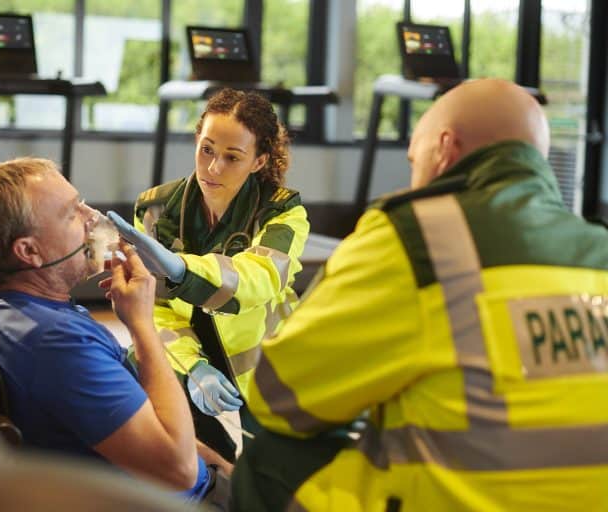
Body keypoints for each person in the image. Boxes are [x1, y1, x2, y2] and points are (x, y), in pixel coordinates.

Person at [231, 78, 608, 511]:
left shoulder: (418, 237)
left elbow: (279, 396)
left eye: (414, 158)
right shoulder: (597, 248)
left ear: (445, 147)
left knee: (269, 459)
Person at [0, 157, 230, 506]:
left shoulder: (7, 313)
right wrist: (142, 326)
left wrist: (221, 467)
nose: (91, 218)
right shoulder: (56, 342)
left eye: (81, 202)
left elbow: (139, 417)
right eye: (70, 214)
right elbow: (179, 468)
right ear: (29, 251)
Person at [107, 88, 310, 461]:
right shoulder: (156, 209)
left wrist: (181, 269)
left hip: (266, 367)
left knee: (269, 476)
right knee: (197, 461)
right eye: (207, 149)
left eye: (233, 157)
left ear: (259, 161)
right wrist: (193, 366)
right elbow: (156, 310)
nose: (214, 168)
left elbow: (257, 279)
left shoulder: (282, 213)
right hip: (187, 355)